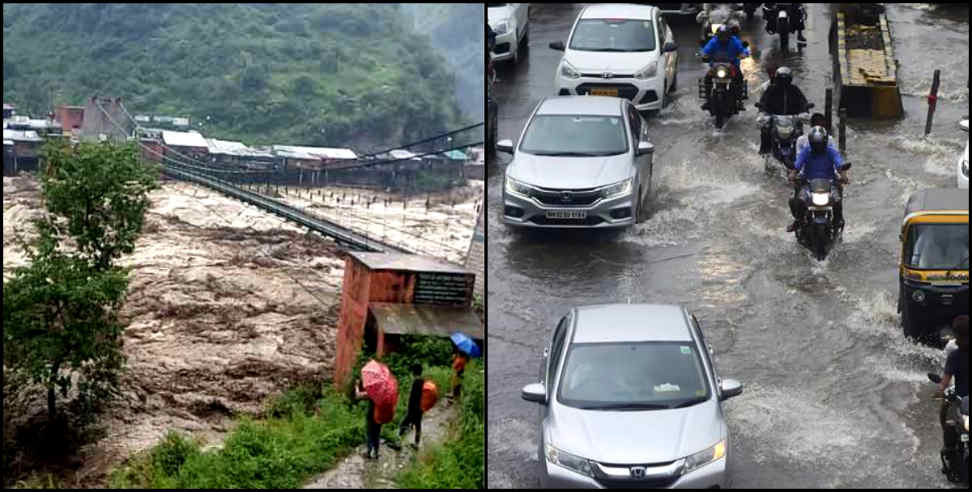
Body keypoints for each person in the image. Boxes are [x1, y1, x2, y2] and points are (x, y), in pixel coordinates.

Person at [787, 126, 848, 232]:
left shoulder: (831, 151)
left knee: (837, 200)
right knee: (799, 200)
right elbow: (797, 165)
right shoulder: (806, 151)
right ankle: (799, 221)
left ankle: (838, 220)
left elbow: (839, 164)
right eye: (815, 144)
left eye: (819, 143)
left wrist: (843, 175)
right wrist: (792, 174)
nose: (818, 146)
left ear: (825, 142)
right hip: (808, 183)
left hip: (829, 183)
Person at [938, 315, 969, 471]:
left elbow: (945, 381)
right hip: (961, 402)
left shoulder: (954, 355)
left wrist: (940, 391)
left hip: (962, 400)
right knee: (950, 424)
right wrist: (940, 392)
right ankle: (949, 451)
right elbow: (944, 381)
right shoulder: (954, 356)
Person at [757, 66, 811, 154]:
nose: (783, 82)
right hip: (774, 119)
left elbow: (803, 101)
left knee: (799, 132)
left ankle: (801, 153)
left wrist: (804, 110)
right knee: (765, 129)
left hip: (793, 119)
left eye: (786, 80)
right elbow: (763, 101)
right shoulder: (771, 89)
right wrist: (763, 111)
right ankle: (764, 150)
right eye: (781, 80)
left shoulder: (794, 89)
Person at [701, 25, 750, 112]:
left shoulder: (734, 41)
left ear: (729, 36)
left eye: (725, 36)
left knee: (739, 78)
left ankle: (739, 100)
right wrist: (704, 55)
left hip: (732, 66)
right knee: (707, 78)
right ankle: (708, 100)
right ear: (717, 35)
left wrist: (744, 54)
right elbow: (706, 50)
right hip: (716, 66)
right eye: (721, 36)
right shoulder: (713, 41)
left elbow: (742, 50)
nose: (723, 38)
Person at [398, 363, 425, 449]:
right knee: (418, 426)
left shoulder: (416, 382)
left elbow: (413, 398)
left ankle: (398, 443)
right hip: (420, 408)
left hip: (413, 409)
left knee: (403, 424)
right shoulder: (423, 381)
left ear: (414, 372)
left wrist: (409, 409)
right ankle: (416, 443)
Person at [355, 379, 382, 459]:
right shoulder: (383, 392)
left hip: (371, 414)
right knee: (377, 433)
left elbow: (358, 395)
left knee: (369, 432)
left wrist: (356, 386)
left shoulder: (373, 392)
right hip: (380, 415)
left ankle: (369, 452)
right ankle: (376, 452)